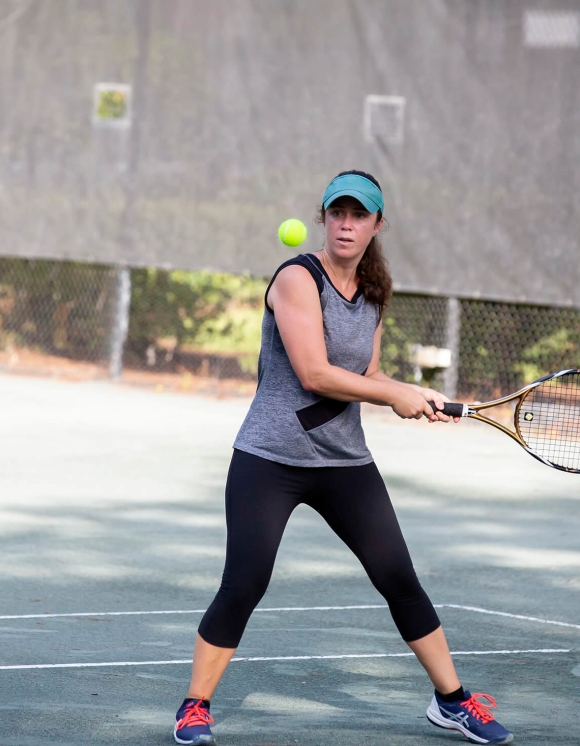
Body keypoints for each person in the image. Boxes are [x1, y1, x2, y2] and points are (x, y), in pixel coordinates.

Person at [173, 171, 513, 746]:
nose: (347, 223)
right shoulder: (295, 278)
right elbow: (314, 373)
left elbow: (368, 376)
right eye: (338, 213)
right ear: (324, 218)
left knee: (398, 577)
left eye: (359, 215)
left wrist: (412, 393)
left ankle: (452, 702)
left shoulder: (373, 295)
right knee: (246, 580)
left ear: (377, 224)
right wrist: (393, 395)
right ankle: (193, 707)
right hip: (270, 458)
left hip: (344, 462)